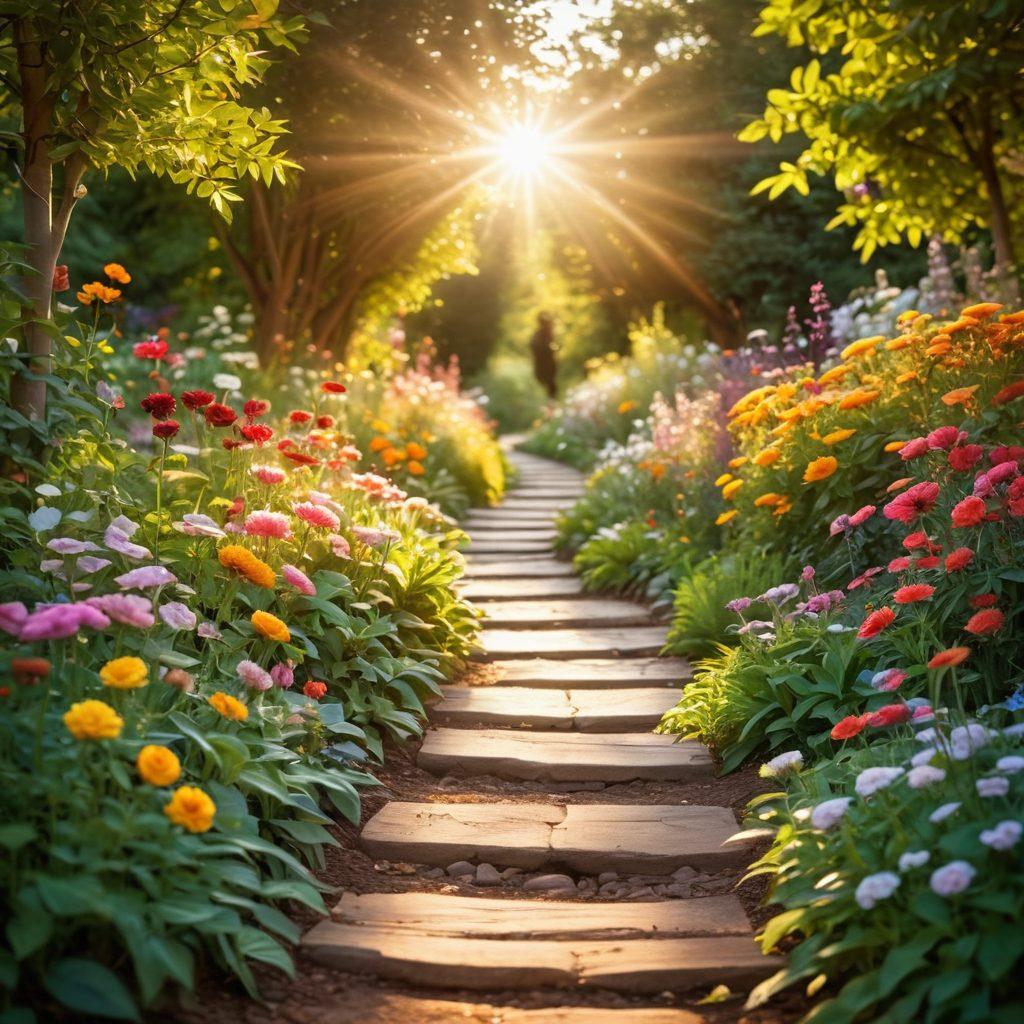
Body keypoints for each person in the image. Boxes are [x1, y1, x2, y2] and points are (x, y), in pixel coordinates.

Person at [529, 311, 558, 399]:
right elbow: (534, 346)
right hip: (543, 362)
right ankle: (548, 399)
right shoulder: (540, 334)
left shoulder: (546, 333)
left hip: (547, 363)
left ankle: (550, 399)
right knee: (545, 381)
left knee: (548, 381)